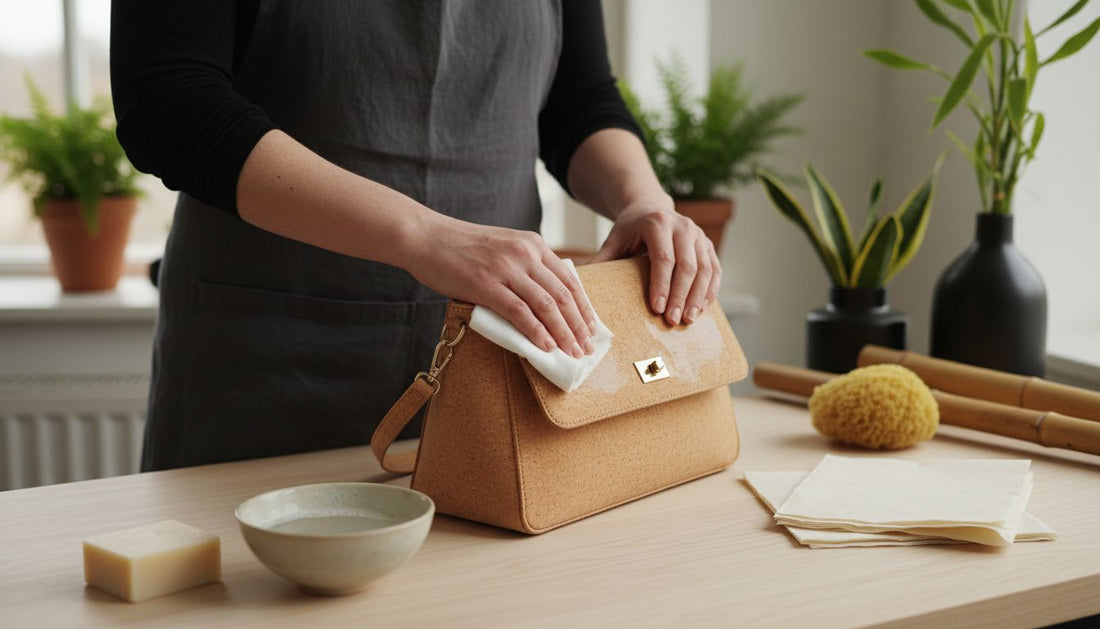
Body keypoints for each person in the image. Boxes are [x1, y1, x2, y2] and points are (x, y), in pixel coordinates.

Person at [110, 0, 722, 471]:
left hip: (494, 359)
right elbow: (168, 102)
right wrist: (426, 237)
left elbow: (579, 101)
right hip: (265, 362)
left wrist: (644, 201)